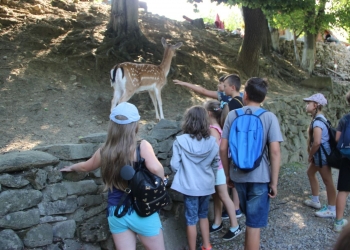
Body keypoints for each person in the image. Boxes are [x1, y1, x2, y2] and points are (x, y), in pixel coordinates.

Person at [60, 102, 165, 250]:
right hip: (143, 211)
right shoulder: (142, 146)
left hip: (116, 212)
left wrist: (72, 167)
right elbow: (156, 168)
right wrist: (162, 181)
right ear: (135, 125)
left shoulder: (104, 151)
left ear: (112, 125)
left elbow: (86, 166)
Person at [220, 77, 283, 250]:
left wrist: (227, 175)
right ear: (263, 98)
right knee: (254, 225)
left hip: (238, 176)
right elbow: (275, 152)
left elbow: (223, 149)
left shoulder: (233, 115)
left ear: (245, 94)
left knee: (249, 221)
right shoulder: (269, 117)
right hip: (260, 178)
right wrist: (274, 182)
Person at [170, 105, 219, 250]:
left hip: (189, 187)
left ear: (188, 121)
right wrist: (211, 179)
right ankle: (206, 245)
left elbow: (174, 165)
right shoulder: (212, 142)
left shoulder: (180, 141)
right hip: (206, 185)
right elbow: (215, 164)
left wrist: (184, 174)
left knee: (191, 220)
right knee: (203, 215)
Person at [204, 100, 242, 241]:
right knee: (216, 195)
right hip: (218, 168)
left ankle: (234, 225)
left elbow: (214, 151)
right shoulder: (217, 126)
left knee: (224, 196)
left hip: (217, 168)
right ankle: (217, 221)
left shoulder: (212, 130)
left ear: (208, 113)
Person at [303, 93, 337, 218]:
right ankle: (315, 200)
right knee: (310, 173)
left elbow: (317, 142)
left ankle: (332, 209)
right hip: (320, 155)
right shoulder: (320, 118)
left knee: (328, 181)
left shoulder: (318, 122)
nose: (306, 106)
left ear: (316, 105)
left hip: (322, 156)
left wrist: (310, 155)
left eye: (309, 103)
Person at [334, 91, 350, 232]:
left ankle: (338, 222)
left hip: (346, 158)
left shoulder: (345, 119)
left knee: (343, 190)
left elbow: (338, 139)